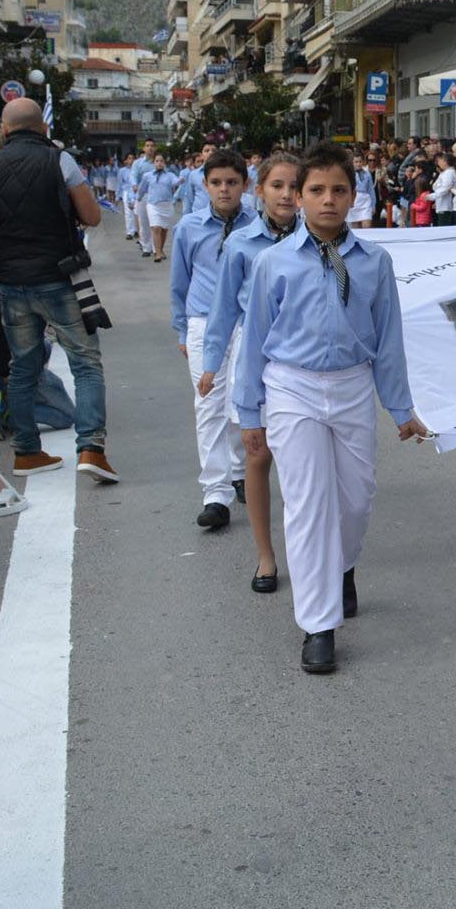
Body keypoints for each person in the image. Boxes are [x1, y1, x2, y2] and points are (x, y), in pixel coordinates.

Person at [235, 143, 428, 675]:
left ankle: (342, 566)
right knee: (307, 503)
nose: (328, 200)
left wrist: (401, 407)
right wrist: (249, 412)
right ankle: (318, 625)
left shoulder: (374, 262)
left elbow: (388, 339)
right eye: (316, 190)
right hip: (291, 386)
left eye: (338, 190)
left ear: (353, 196)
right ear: (298, 197)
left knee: (356, 499)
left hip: (351, 386)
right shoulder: (273, 262)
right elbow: (253, 340)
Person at [0, 98, 113, 481]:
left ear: (4, 129)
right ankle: (92, 449)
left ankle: (27, 452)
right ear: (43, 128)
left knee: (22, 367)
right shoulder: (59, 160)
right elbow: (92, 215)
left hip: (10, 281)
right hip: (58, 276)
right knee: (85, 362)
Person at [200, 151, 302, 591]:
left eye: (294, 186)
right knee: (258, 455)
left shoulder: (321, 239)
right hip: (254, 354)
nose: (286, 195)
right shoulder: (241, 244)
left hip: (301, 357)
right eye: (277, 185)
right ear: (258, 191)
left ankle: (309, 553)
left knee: (300, 460)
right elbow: (223, 309)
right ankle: (266, 556)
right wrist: (210, 365)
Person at [171, 149, 255, 532]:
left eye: (232, 182)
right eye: (216, 183)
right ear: (204, 185)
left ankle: (239, 471)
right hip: (203, 323)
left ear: (245, 185)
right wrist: (182, 329)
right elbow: (179, 282)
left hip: (245, 323)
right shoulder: (189, 227)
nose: (224, 189)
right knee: (208, 404)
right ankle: (215, 494)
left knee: (240, 401)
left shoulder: (257, 225)